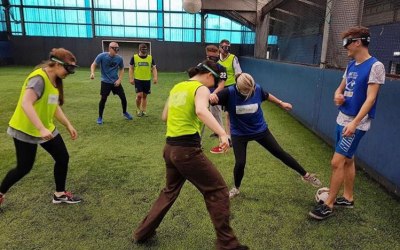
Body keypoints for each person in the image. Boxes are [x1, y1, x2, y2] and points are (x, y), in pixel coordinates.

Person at [133, 60, 248, 250]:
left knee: (169, 191)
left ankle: (142, 233)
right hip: (187, 151)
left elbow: (165, 116)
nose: (213, 87)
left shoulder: (178, 87)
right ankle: (228, 245)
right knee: (218, 190)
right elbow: (201, 110)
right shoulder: (200, 88)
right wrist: (222, 133)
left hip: (170, 149)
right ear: (209, 75)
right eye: (215, 82)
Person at [309, 26, 385, 220]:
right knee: (348, 159)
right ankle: (348, 198)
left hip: (355, 123)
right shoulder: (351, 65)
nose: (345, 48)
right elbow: (340, 89)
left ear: (358, 42)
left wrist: (355, 123)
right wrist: (338, 97)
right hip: (342, 118)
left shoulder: (376, 66)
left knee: (337, 162)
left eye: (347, 43)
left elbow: (371, 99)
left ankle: (328, 204)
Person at [210, 73, 322, 199]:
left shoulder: (257, 89)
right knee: (240, 163)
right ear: (238, 87)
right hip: (239, 133)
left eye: (251, 89)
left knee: (280, 152)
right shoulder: (228, 93)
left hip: (259, 130)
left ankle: (306, 175)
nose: (249, 92)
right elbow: (210, 101)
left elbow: (267, 96)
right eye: (246, 90)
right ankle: (236, 188)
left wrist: (281, 103)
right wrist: (212, 96)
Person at [0, 48, 82, 206]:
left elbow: (54, 106)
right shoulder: (39, 78)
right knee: (24, 167)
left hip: (46, 129)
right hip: (25, 129)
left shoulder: (55, 80)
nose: (69, 73)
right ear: (56, 64)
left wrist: (68, 125)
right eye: (68, 68)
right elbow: (26, 103)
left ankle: (59, 194)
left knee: (62, 157)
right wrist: (40, 128)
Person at [210, 39, 242, 154]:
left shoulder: (233, 58)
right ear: (220, 47)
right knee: (214, 108)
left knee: (229, 113)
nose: (225, 49)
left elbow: (238, 73)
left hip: (231, 88)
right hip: (220, 88)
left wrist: (238, 87)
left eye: (227, 47)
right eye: (223, 47)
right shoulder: (216, 59)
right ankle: (221, 132)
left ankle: (229, 137)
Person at [90, 41, 133, 124]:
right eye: (115, 48)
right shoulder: (101, 56)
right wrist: (92, 73)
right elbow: (94, 64)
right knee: (103, 99)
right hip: (105, 82)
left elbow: (122, 69)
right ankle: (100, 117)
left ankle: (125, 112)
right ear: (109, 48)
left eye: (118, 49)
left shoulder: (119, 58)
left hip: (116, 82)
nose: (117, 50)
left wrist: (119, 80)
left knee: (123, 97)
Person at [202, 44, 227, 139]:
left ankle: (223, 139)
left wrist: (212, 94)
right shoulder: (201, 66)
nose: (212, 59)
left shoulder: (222, 68)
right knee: (200, 117)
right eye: (210, 57)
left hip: (215, 96)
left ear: (218, 55)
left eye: (214, 57)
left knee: (216, 116)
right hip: (202, 95)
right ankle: (197, 143)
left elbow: (221, 85)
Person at [128, 43, 158, 117]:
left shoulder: (150, 58)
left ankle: (144, 111)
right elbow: (131, 68)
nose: (144, 50)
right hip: (138, 79)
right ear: (139, 49)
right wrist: (131, 78)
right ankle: (138, 109)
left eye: (145, 49)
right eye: (142, 49)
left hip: (147, 80)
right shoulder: (134, 57)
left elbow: (154, 68)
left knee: (144, 96)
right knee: (139, 95)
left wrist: (155, 77)